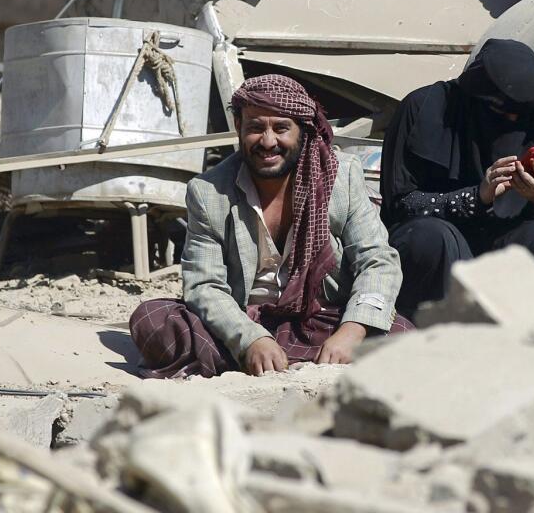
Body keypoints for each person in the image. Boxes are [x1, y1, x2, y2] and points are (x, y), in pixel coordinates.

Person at [130, 74, 410, 379]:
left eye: (280, 128)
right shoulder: (208, 192)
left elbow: (378, 260)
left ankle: (274, 360)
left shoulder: (341, 178)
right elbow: (204, 285)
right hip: (244, 316)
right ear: (238, 127)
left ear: (302, 130)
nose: (267, 142)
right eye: (255, 128)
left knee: (402, 336)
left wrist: (352, 332)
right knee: (152, 319)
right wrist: (251, 339)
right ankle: (272, 358)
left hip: (322, 317)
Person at [380, 38, 534, 319]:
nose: (511, 120)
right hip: (436, 254)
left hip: (502, 255)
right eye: (500, 111)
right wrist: (475, 197)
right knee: (432, 237)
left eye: (519, 115)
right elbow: (399, 204)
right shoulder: (424, 109)